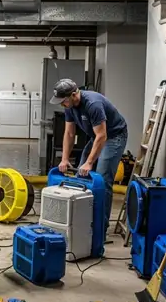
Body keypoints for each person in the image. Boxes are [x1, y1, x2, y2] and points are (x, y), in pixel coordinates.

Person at [51, 78, 128, 237]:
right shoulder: (69, 106)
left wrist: (89, 162)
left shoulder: (93, 104)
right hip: (97, 137)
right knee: (81, 174)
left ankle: (101, 229)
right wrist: (65, 159)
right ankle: (84, 220)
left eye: (63, 101)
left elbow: (102, 135)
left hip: (114, 136)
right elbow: (69, 133)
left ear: (73, 95)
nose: (62, 104)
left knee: (101, 178)